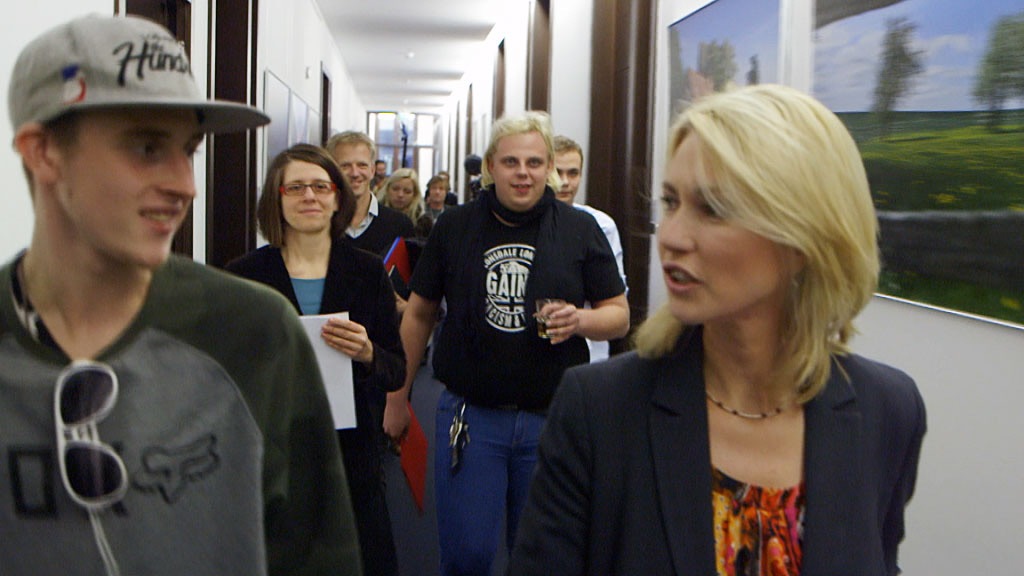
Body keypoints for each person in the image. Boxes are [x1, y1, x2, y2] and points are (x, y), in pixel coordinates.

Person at [507, 84, 926, 575]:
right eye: (671, 202)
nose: (672, 236)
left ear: (805, 234)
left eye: (714, 209)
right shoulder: (599, 410)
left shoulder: (888, 410)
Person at [0, 14, 361, 576]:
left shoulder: (252, 330)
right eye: (146, 147)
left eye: (188, 149)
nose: (185, 185)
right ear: (43, 151)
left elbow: (317, 553)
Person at [391, 111, 629, 575]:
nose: (524, 173)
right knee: (468, 557)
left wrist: (580, 319)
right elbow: (419, 313)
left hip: (552, 419)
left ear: (550, 170)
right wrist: (397, 396)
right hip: (471, 418)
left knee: (541, 558)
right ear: (492, 168)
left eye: (536, 163)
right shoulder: (456, 227)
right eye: (512, 162)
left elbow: (618, 316)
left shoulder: (580, 229)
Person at [225, 144, 405, 576]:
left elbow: (395, 369)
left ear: (338, 198)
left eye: (321, 187)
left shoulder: (366, 272)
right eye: (296, 187)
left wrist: (367, 353)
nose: (310, 197)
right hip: (273, 452)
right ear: (277, 198)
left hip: (351, 454)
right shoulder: (245, 276)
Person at [552, 135, 628, 362]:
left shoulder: (600, 225)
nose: (565, 182)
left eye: (573, 173)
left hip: (589, 351)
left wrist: (576, 319)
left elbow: (617, 304)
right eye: (558, 172)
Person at [326, 131, 414, 258]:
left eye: (362, 165)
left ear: (372, 170)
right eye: (345, 166)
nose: (355, 173)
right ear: (331, 171)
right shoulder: (321, 223)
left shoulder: (400, 225)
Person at [379, 167, 429, 236]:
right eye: (395, 189)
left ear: (415, 195)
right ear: (387, 189)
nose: (400, 195)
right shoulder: (374, 216)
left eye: (407, 191)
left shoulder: (423, 222)